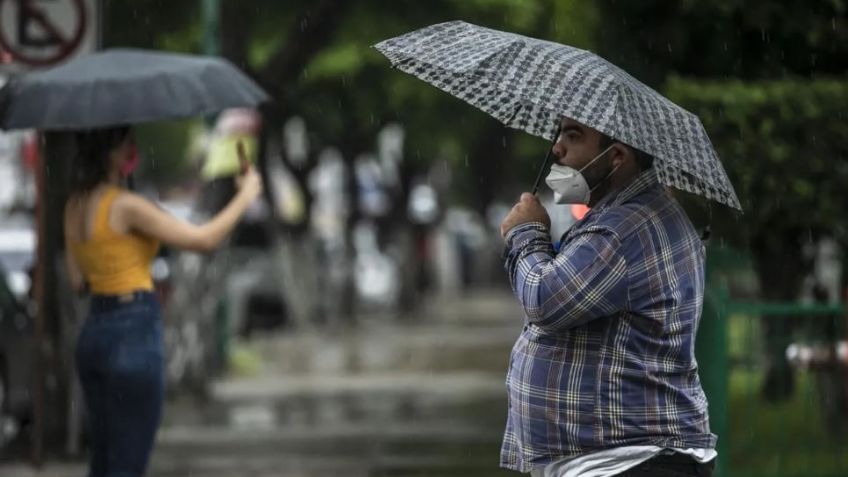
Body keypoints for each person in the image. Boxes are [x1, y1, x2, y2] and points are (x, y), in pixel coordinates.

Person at [499, 117, 716, 477]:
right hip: (625, 459)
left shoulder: (623, 229)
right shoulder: (631, 214)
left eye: (573, 136)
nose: (557, 148)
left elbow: (543, 299)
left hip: (629, 462)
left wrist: (526, 234)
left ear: (616, 157)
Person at [63, 126, 262, 477]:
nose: (133, 149)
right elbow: (203, 240)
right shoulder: (126, 206)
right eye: (127, 143)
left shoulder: (73, 205)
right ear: (110, 152)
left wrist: (110, 256)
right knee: (128, 462)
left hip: (94, 333)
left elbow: (79, 281)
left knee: (105, 460)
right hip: (132, 331)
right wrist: (246, 196)